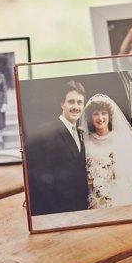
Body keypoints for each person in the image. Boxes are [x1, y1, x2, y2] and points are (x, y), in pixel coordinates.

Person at [27, 82, 89, 216]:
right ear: (62, 104)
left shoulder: (80, 133)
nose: (76, 107)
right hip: (60, 213)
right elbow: (40, 183)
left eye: (80, 102)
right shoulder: (47, 133)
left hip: (81, 210)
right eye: (71, 102)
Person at [83, 95, 132, 207]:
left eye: (104, 113)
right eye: (95, 114)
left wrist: (117, 171)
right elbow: (86, 175)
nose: (100, 117)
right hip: (97, 200)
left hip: (120, 194)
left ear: (110, 115)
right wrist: (92, 199)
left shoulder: (121, 139)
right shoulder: (86, 141)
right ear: (90, 117)